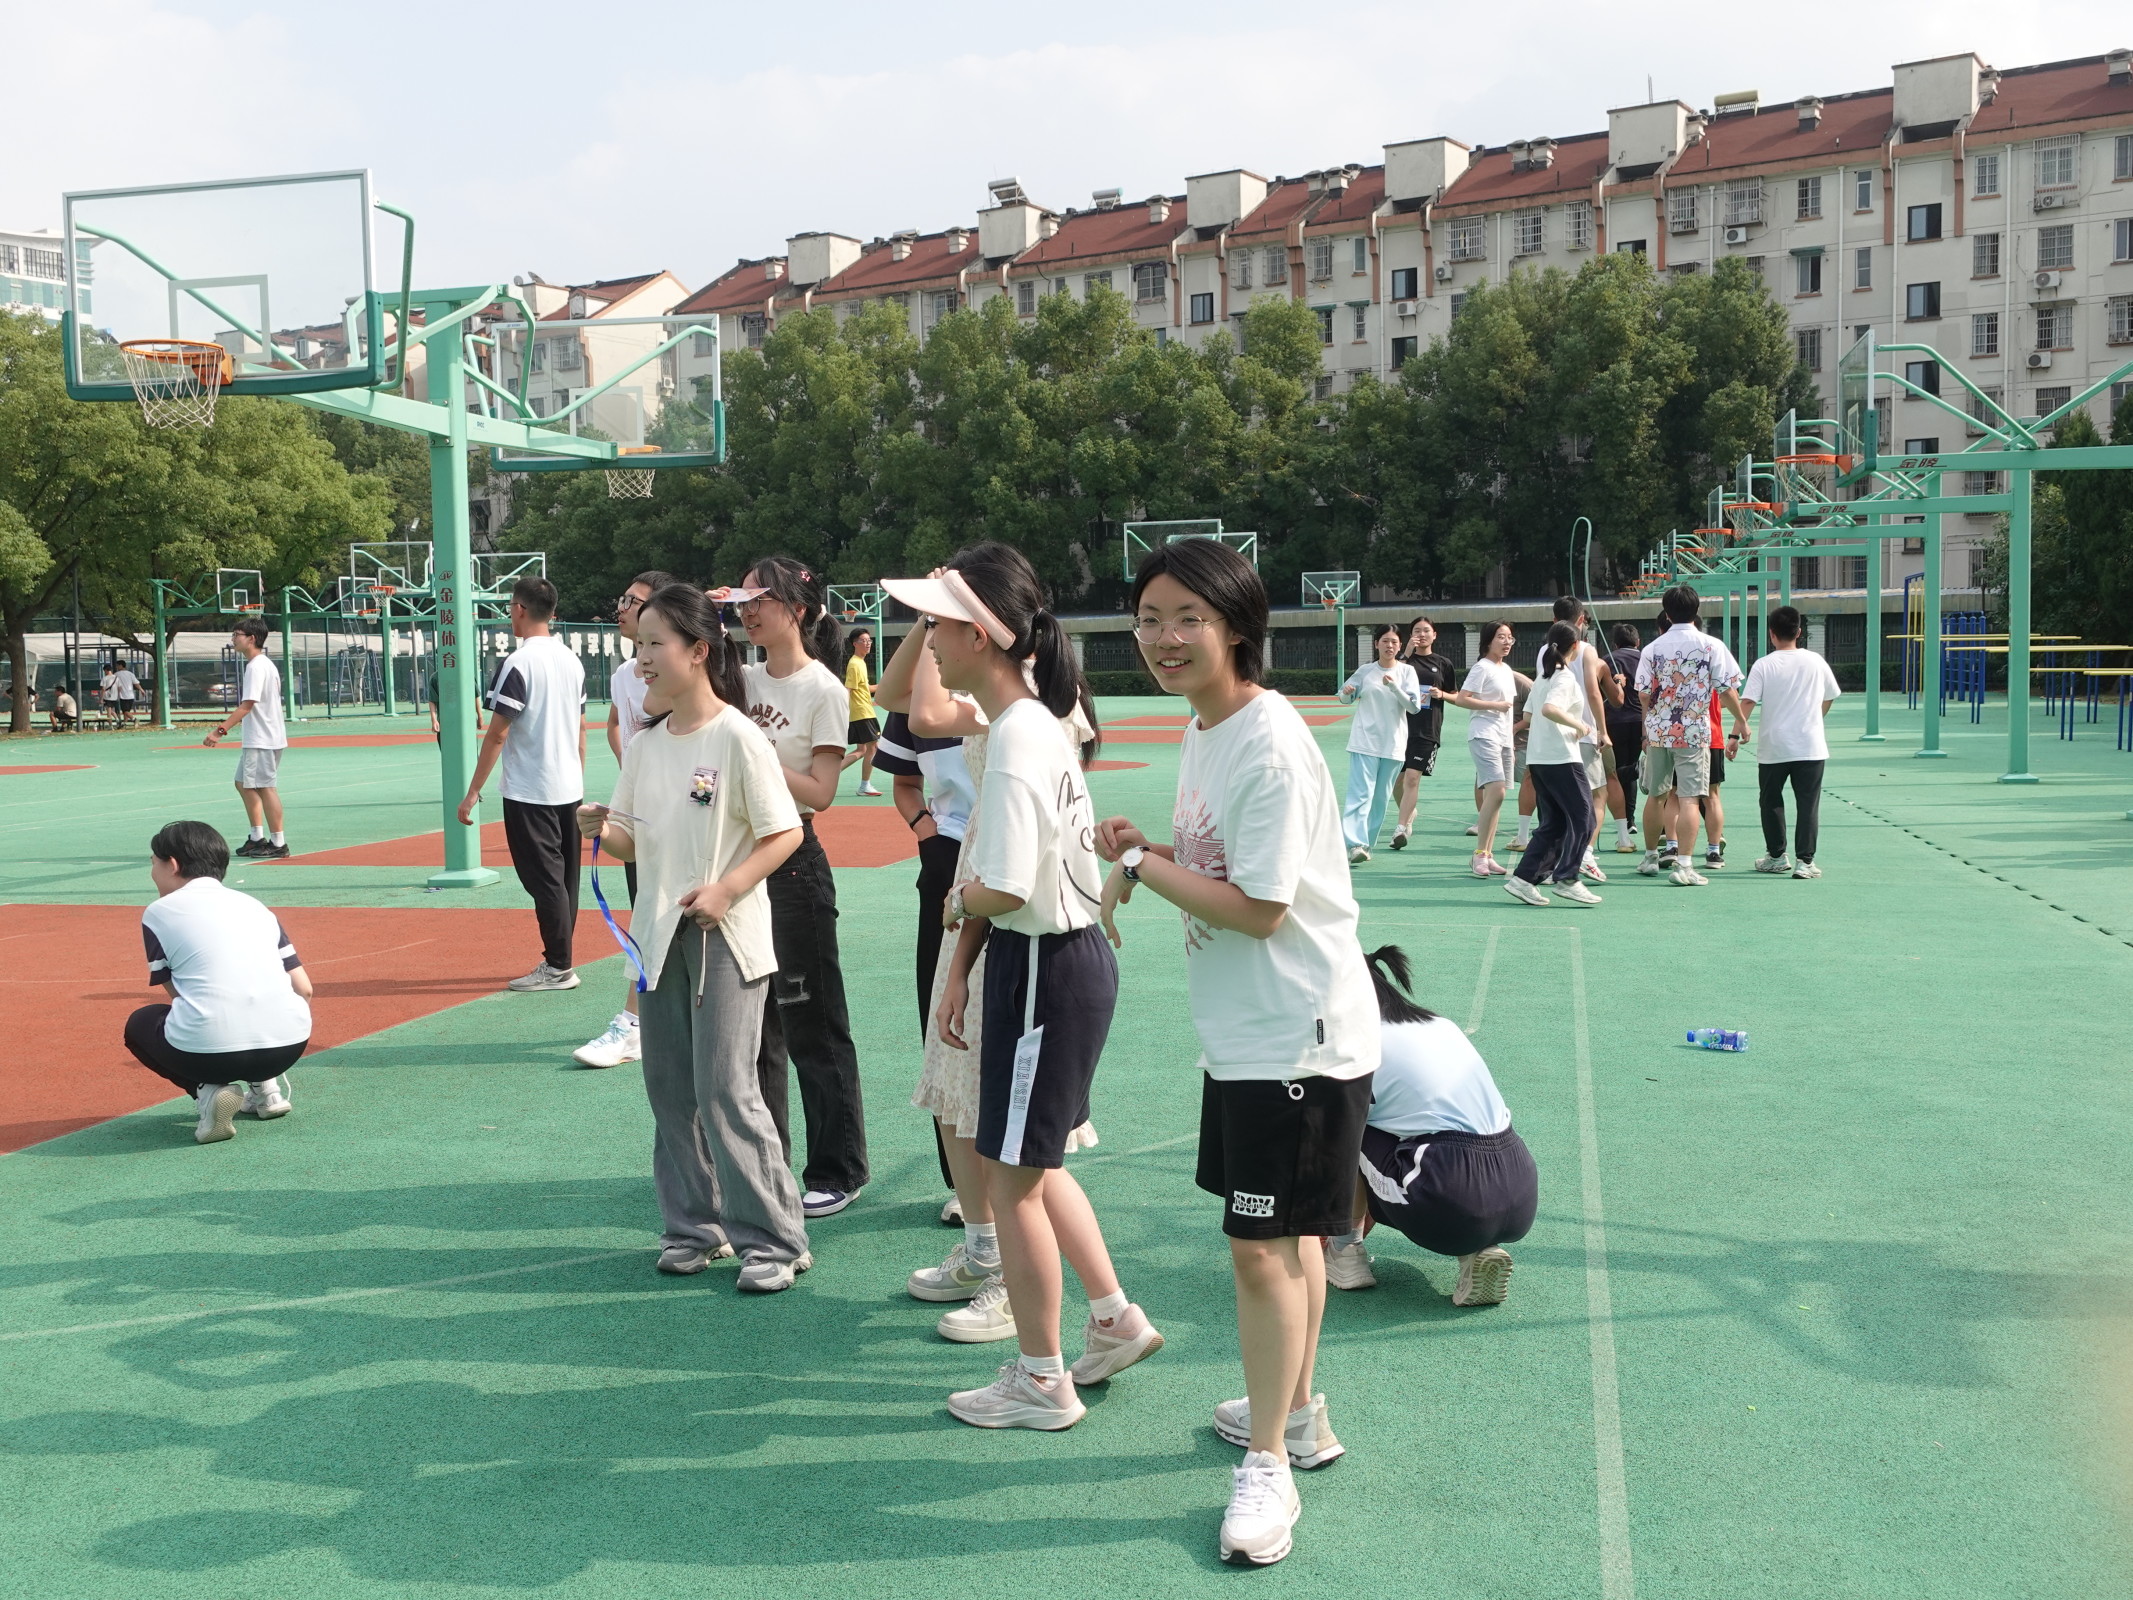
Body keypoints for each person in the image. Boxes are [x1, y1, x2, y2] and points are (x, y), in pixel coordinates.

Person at [1094, 537, 1377, 1568]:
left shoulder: (1265, 742)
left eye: (1188, 619)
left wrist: (1139, 863)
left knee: (1260, 1250)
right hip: (1253, 1035)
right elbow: (1231, 866)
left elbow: (1260, 908)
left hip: (1293, 1036)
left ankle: (1267, 1465)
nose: (1163, 638)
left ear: (1237, 628)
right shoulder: (1208, 725)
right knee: (1292, 1239)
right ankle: (1295, 1414)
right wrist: (1158, 852)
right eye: (1149, 618)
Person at [887, 543, 1162, 1433]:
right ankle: (1112, 1320)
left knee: (1013, 1187)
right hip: (1052, 964)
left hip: (1042, 968)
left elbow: (1000, 885)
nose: (928, 640)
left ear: (979, 634)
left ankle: (1042, 1379)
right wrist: (963, 963)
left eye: (936, 623)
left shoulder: (1014, 736)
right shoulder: (1029, 722)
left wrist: (954, 909)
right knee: (1033, 1172)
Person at [577, 584, 813, 1291]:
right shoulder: (646, 745)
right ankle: (694, 1228)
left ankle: (774, 1240)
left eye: (656, 643)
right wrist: (601, 828)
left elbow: (785, 832)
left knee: (725, 1089)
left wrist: (727, 888)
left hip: (726, 939)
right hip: (657, 938)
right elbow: (631, 841)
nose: (642, 658)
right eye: (638, 644)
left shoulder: (737, 736)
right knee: (668, 1088)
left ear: (699, 651)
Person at [735, 556, 870, 1219]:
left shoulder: (823, 690)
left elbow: (821, 791)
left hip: (793, 860)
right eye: (740, 600)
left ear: (795, 608)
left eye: (758, 599)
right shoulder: (739, 678)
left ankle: (838, 1168)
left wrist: (754, 751)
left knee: (811, 1021)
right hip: (739, 859)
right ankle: (767, 1164)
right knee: (754, 1029)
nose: (746, 611)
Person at [1319, 946, 1537, 1307]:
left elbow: (1328, 1133)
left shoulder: (1354, 1043)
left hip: (1446, 1195)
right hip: (1519, 1189)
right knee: (1412, 1133)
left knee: (1344, 1126)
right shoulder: (1440, 1025)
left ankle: (1345, 1253)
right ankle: (1476, 1251)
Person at [123, 820, 311, 1145]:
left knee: (141, 1023)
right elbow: (304, 988)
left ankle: (206, 1093)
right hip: (289, 1047)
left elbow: (180, 995)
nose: (152, 872)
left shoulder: (158, 912)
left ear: (173, 864)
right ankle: (267, 1089)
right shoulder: (257, 907)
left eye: (154, 863)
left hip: (212, 1051)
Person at [460, 576, 587, 990]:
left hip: (531, 790)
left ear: (519, 609)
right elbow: (581, 728)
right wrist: (577, 776)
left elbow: (497, 733)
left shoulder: (518, 663)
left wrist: (473, 791)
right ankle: (561, 960)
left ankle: (558, 966)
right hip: (568, 788)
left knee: (545, 881)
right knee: (565, 880)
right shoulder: (572, 660)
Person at [576, 571, 676, 1069]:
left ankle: (635, 1023)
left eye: (632, 601)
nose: (621, 608)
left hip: (686, 810)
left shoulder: (683, 670)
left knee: (663, 914)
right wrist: (629, 766)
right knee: (646, 912)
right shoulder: (622, 675)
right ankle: (642, 1020)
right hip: (640, 813)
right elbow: (618, 724)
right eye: (623, 599)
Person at [1634, 587, 1747, 888]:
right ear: (1696, 611)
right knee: (1690, 798)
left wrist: (1648, 727)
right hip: (1694, 732)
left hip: (1659, 732)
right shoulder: (1712, 646)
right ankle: (1684, 864)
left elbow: (1643, 694)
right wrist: (1742, 722)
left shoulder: (1652, 649)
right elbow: (1727, 690)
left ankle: (1649, 857)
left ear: (1666, 612)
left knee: (1656, 795)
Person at [1505, 622, 1603, 907]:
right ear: (1576, 646)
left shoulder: (1543, 678)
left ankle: (1524, 879)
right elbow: (1549, 709)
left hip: (1539, 759)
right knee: (1585, 818)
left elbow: (1529, 714)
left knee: (1555, 823)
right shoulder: (1564, 678)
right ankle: (1568, 878)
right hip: (1561, 758)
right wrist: (1580, 725)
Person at [1741, 605, 1840, 879]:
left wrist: (1735, 735)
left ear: (1771, 634)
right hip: (1810, 745)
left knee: (1770, 800)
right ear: (1799, 632)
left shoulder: (1764, 664)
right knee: (1808, 804)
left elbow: (1748, 701)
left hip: (1774, 746)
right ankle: (1805, 862)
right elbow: (1830, 696)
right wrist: (1814, 717)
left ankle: (1776, 856)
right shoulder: (1816, 661)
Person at [202, 616, 290, 860]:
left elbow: (247, 705)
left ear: (251, 638)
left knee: (266, 787)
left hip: (263, 738)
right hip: (262, 737)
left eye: (237, 635)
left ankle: (278, 843)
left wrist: (219, 731)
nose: (233, 638)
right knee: (242, 783)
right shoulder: (261, 664)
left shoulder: (256, 666)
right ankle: (256, 837)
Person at [1336, 625, 1423, 863]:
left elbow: (1414, 707)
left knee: (1380, 798)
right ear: (1376, 644)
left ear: (1400, 645)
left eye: (1394, 642)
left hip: (1393, 744)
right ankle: (1355, 844)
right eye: (1385, 641)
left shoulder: (1407, 672)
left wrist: (1394, 687)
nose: (1389, 646)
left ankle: (1366, 844)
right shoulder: (1366, 671)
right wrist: (1347, 692)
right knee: (1360, 795)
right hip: (1364, 741)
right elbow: (1344, 697)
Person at [1454, 622, 1524, 878]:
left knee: (1498, 796)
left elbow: (1509, 709)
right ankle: (1479, 854)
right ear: (1488, 641)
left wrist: (1510, 741)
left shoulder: (1505, 669)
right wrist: (1493, 705)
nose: (1506, 642)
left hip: (1503, 739)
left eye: (1509, 638)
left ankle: (1488, 854)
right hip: (1483, 734)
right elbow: (1462, 698)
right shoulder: (1481, 667)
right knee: (1496, 791)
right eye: (1501, 637)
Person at [1390, 617, 1457, 850]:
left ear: (1434, 635)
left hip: (1427, 729)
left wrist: (1442, 695)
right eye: (1417, 631)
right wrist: (1406, 651)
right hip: (1400, 727)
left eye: (1426, 630)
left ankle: (1401, 828)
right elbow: (1391, 678)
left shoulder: (1443, 663)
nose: (1422, 634)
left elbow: (1456, 695)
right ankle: (1410, 812)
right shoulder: (1403, 661)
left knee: (1412, 777)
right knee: (1395, 781)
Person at [1602, 624, 1644, 853]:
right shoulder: (1646, 658)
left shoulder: (1607, 660)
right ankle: (1630, 820)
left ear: (1615, 643)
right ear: (1637, 642)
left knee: (1615, 772)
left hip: (1613, 720)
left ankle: (1626, 820)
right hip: (1640, 719)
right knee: (1628, 768)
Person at [841, 627, 884, 797]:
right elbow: (848, 689)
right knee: (873, 747)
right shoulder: (854, 664)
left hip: (862, 711)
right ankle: (864, 786)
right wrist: (842, 712)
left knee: (862, 750)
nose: (867, 644)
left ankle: (829, 775)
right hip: (862, 712)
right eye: (863, 641)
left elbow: (865, 688)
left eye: (869, 640)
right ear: (854, 644)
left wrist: (886, 684)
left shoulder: (860, 662)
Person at [111, 660, 140, 726]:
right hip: (131, 696)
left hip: (123, 696)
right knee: (127, 711)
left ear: (121, 665)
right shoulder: (130, 674)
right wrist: (141, 690)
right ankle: (125, 723)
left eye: (117, 665)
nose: (117, 667)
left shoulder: (116, 674)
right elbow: (136, 683)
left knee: (125, 711)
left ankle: (134, 719)